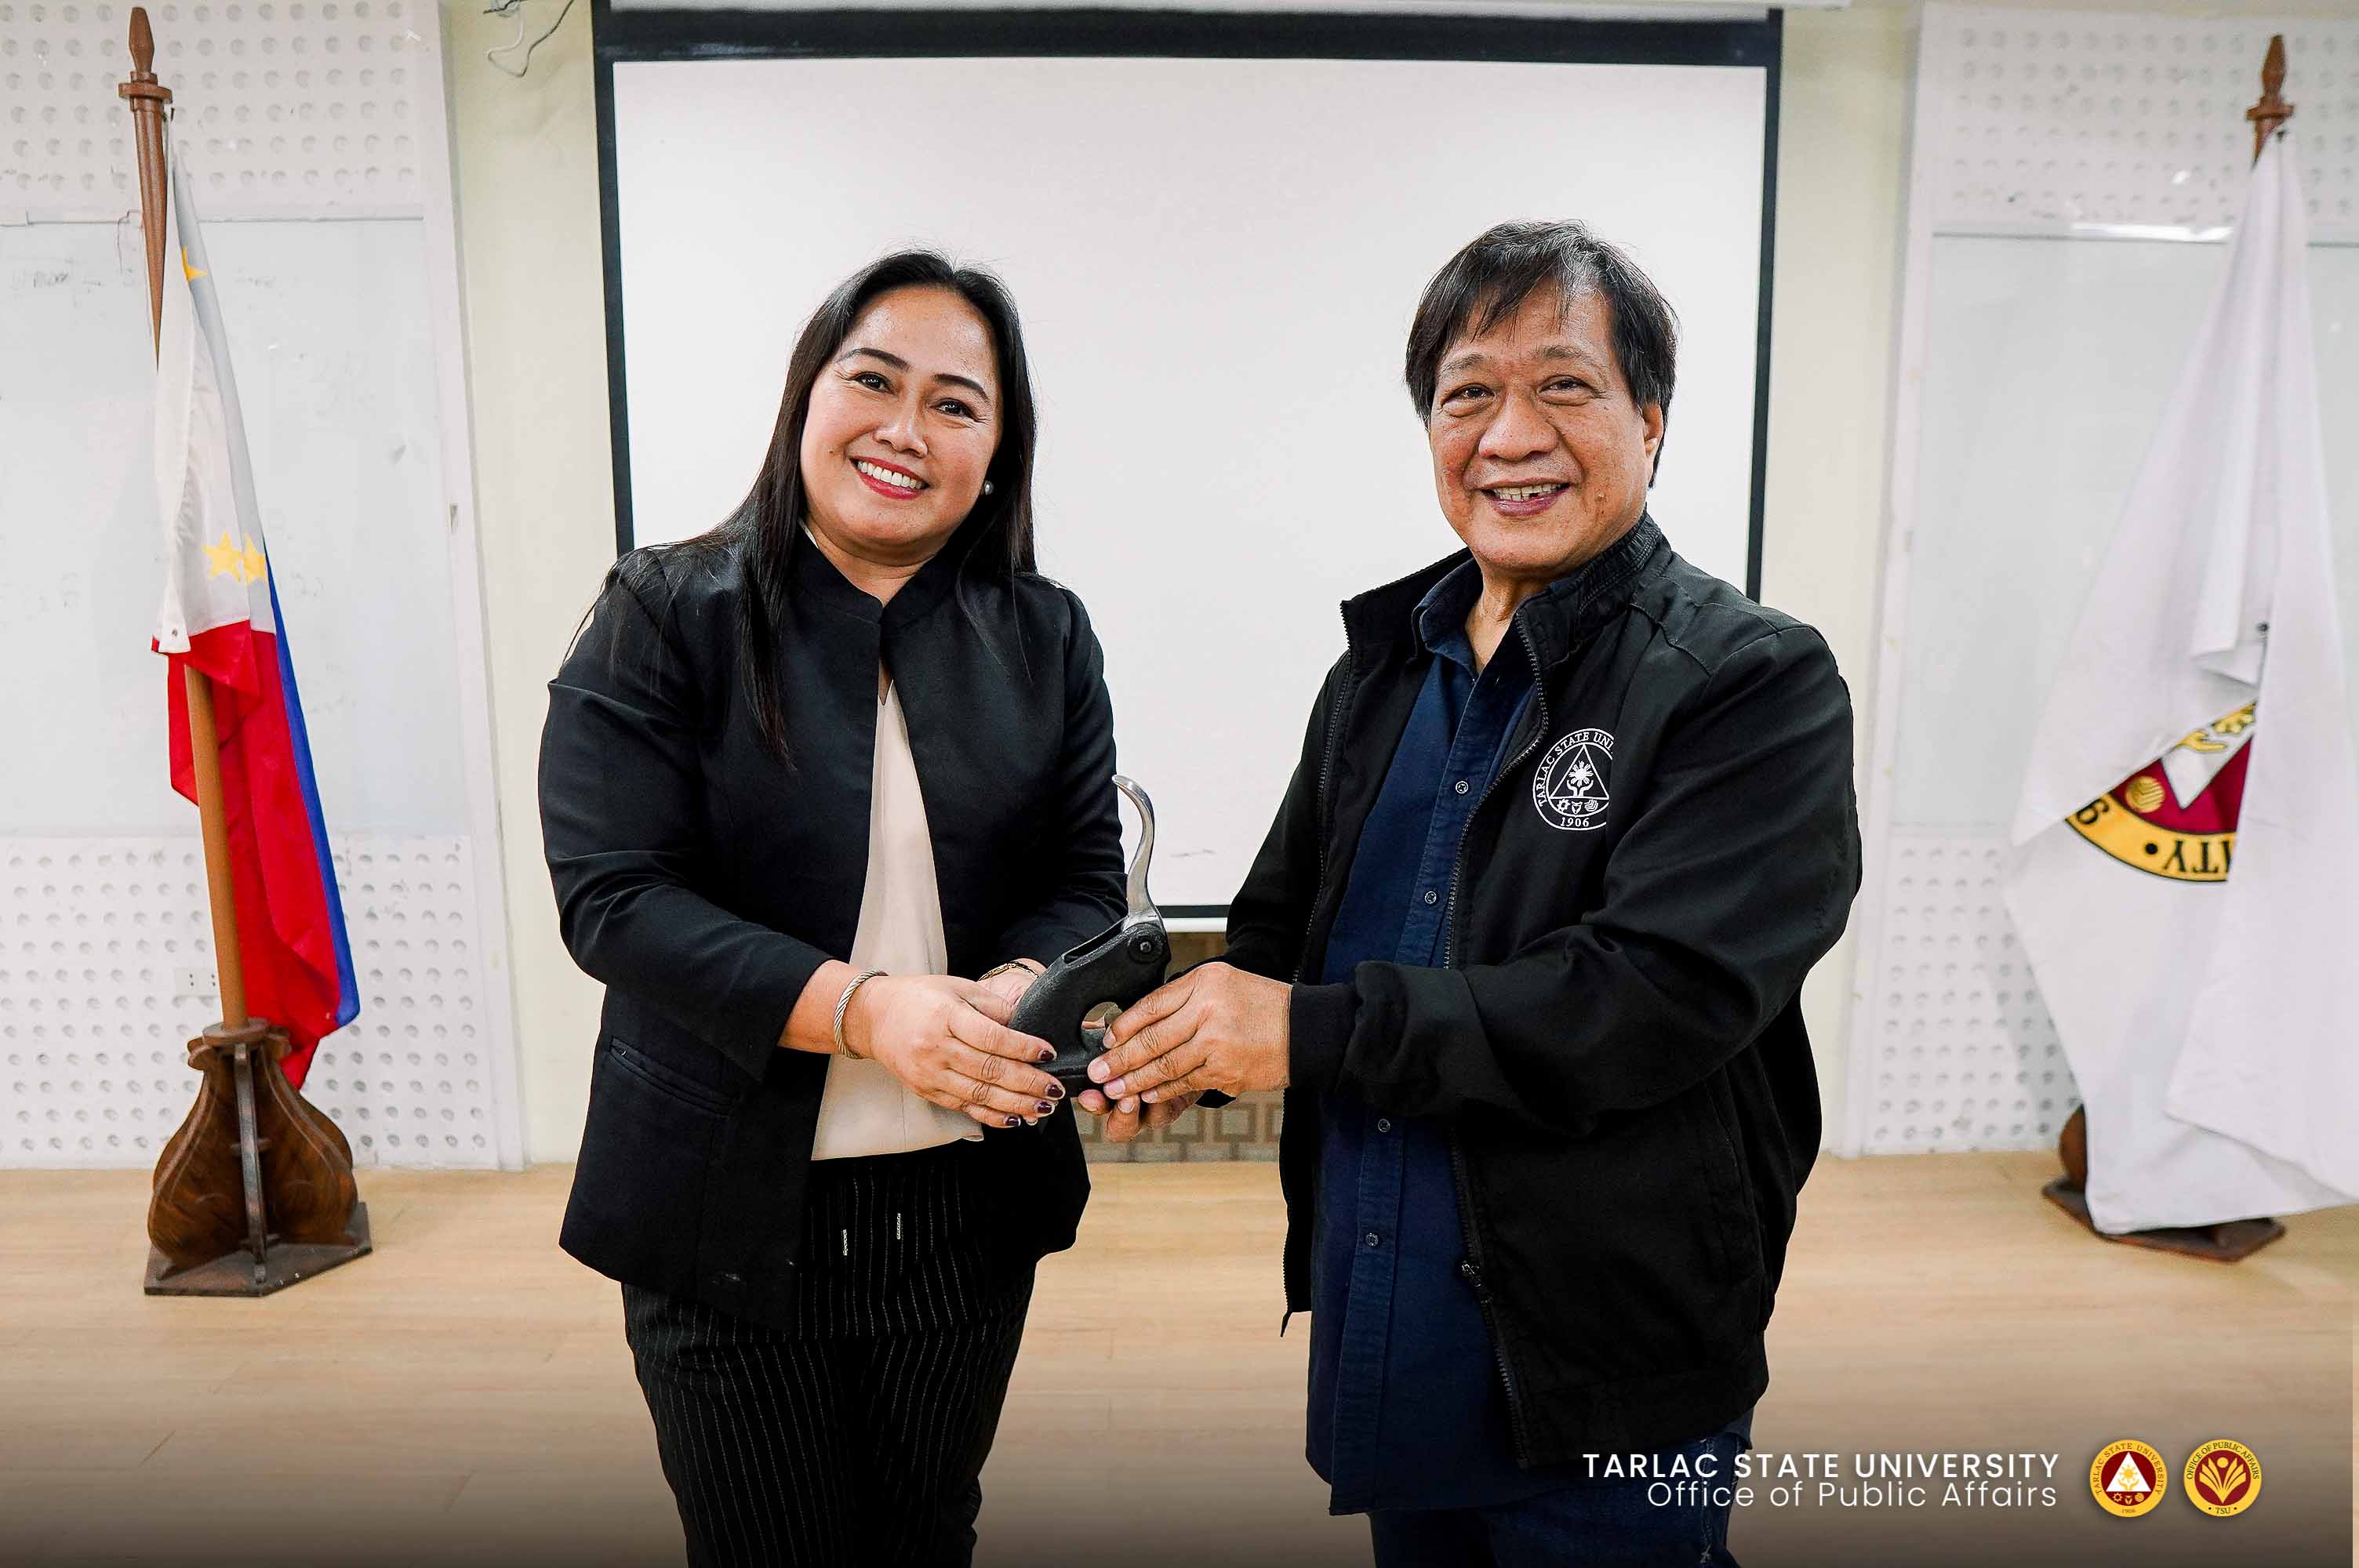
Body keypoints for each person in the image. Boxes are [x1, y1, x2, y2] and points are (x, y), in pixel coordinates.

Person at [1081, 220, 1862, 1566]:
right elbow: (1279, 934)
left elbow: (1647, 1002)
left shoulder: (1752, 681)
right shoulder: (1382, 668)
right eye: (1468, 394)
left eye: (1564, 385)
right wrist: (1175, 1051)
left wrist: (1304, 1033)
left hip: (1610, 1357)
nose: (1511, 435)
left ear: (1650, 421)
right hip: (1392, 1325)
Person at [539, 251, 1123, 1566]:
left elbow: (1083, 876)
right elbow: (615, 900)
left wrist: (1019, 985)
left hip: (966, 1202)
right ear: (808, 395)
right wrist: (869, 1013)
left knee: (926, 1535)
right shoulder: (662, 612)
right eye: (873, 381)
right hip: (724, 1204)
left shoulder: (1045, 635)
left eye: (956, 405)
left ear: (997, 455)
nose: (905, 429)